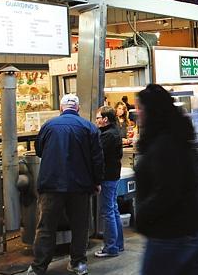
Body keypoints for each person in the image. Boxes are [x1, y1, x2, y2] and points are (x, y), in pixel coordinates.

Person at [134, 84, 198, 275]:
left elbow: (167, 192)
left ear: (152, 111)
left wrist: (141, 216)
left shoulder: (164, 144)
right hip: (186, 226)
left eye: (140, 108)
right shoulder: (176, 135)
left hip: (169, 232)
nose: (137, 113)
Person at [27, 95, 104, 275]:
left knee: (46, 227)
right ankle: (78, 263)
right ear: (77, 109)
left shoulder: (48, 126)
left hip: (51, 185)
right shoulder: (89, 127)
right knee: (80, 226)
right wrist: (97, 182)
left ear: (61, 108)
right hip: (80, 186)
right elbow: (97, 159)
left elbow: (39, 151)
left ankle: (38, 267)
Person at [94, 106, 125, 257]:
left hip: (107, 178)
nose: (96, 120)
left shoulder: (107, 136)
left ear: (105, 119)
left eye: (98, 118)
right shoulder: (113, 132)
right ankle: (118, 244)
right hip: (113, 176)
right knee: (113, 210)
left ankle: (111, 247)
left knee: (108, 212)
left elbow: (99, 157)